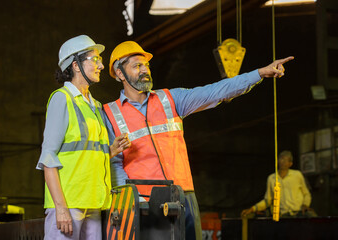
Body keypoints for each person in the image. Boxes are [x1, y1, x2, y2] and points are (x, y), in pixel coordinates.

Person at [103, 40, 294, 240]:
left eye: (146, 65)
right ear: (119, 73)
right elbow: (114, 164)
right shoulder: (109, 113)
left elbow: (216, 91)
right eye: (137, 66)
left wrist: (260, 73)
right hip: (146, 203)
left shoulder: (171, 99)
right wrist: (133, 203)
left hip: (185, 196)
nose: (144, 70)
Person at [36, 35, 131, 240]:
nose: (102, 66)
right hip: (69, 203)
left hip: (94, 202)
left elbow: (84, 152)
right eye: (95, 59)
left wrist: (111, 150)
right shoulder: (62, 99)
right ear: (76, 65)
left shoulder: (95, 105)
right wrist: (61, 208)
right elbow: (48, 158)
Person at [241, 150, 315, 218]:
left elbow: (306, 194)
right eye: (281, 159)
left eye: (286, 160)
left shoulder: (297, 175)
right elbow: (267, 200)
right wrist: (252, 209)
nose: (282, 161)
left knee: (314, 219)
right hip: (284, 215)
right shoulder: (271, 178)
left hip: (299, 213)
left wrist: (305, 205)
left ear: (290, 164)